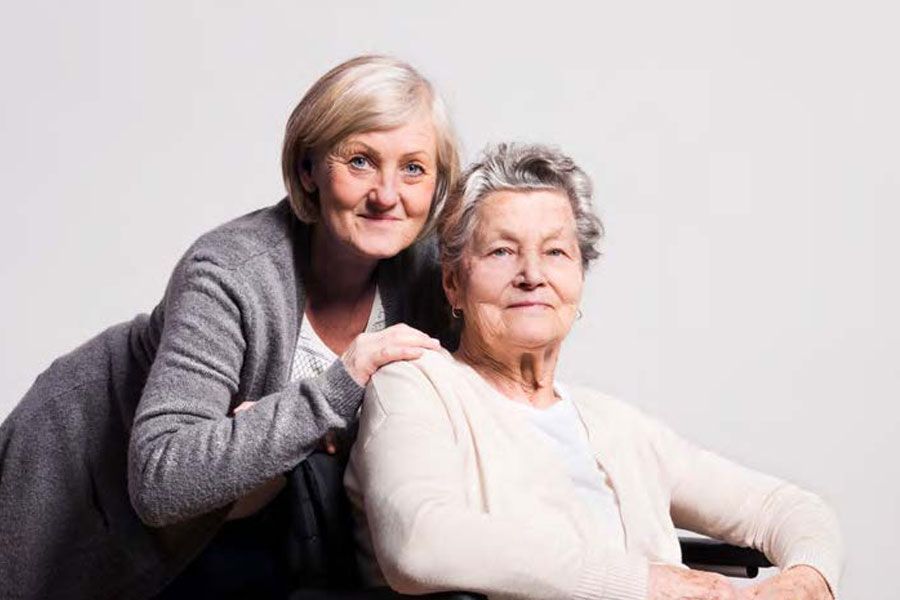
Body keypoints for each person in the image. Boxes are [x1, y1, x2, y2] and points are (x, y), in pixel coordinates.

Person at [0, 55, 459, 599]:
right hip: (83, 494)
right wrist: (340, 386)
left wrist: (263, 431)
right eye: (360, 161)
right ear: (309, 168)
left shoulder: (431, 278)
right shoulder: (229, 271)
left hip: (241, 529)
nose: (387, 194)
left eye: (413, 168)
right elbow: (162, 479)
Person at [344, 143, 842, 600]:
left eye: (556, 252)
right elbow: (419, 541)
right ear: (453, 283)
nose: (532, 275)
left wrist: (805, 580)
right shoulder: (417, 385)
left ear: (579, 275)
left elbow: (790, 509)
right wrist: (644, 582)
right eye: (502, 251)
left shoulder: (617, 428)